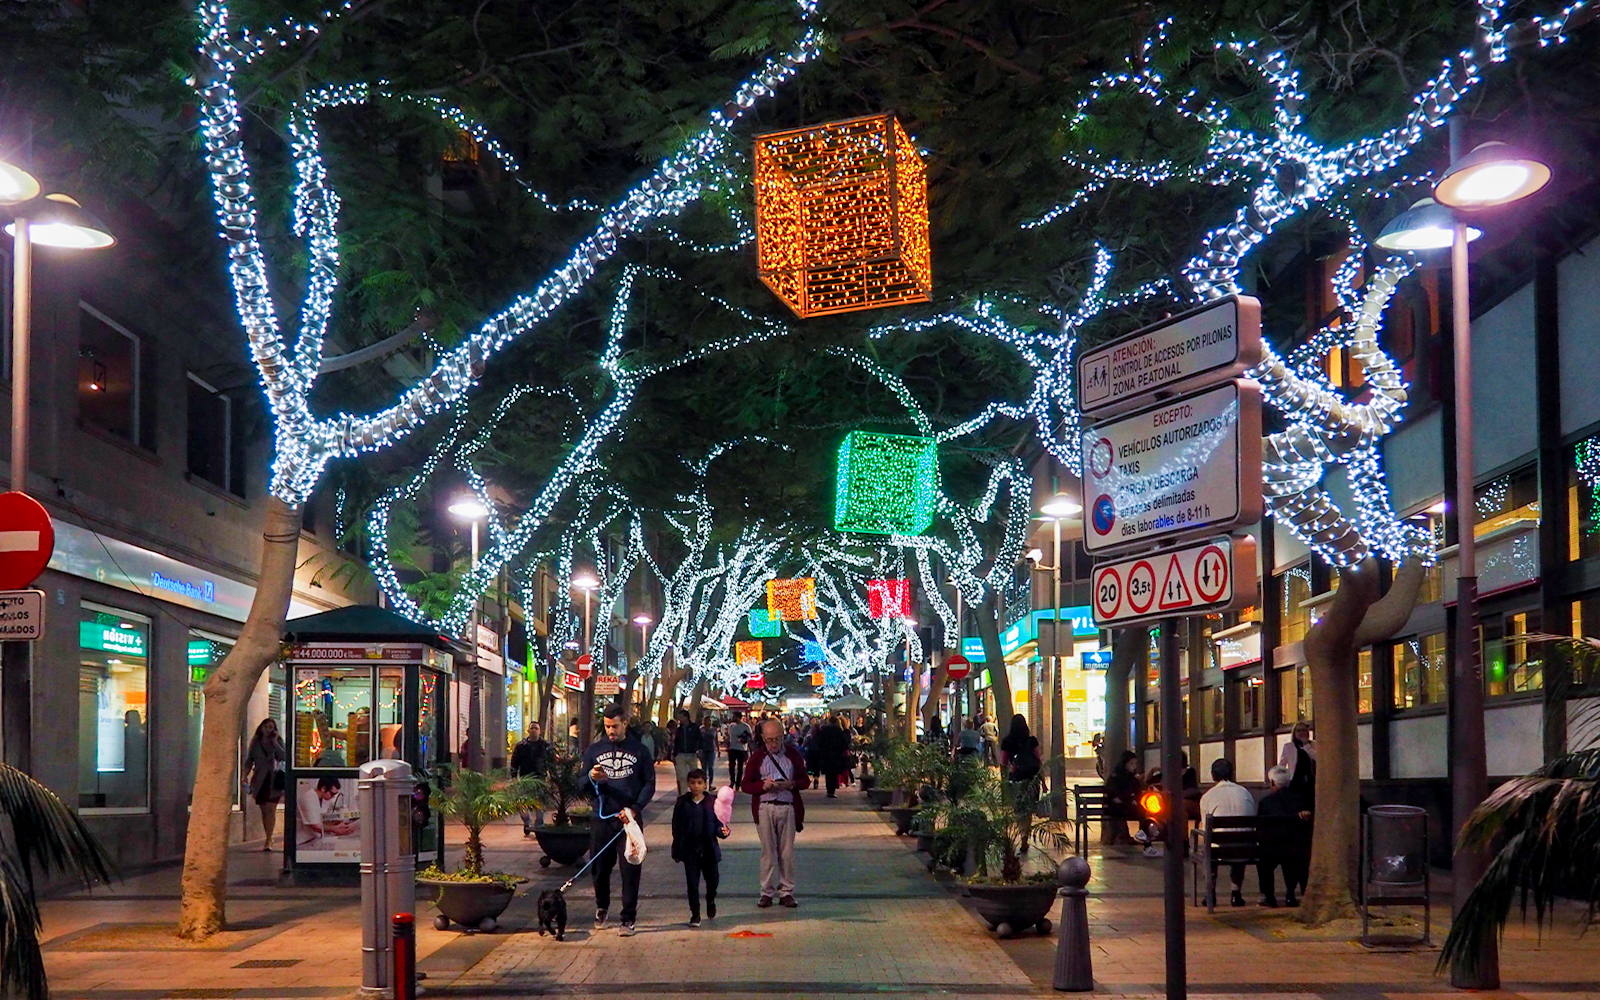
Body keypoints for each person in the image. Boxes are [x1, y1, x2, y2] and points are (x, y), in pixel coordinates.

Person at [584, 703, 656, 936]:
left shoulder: (640, 751)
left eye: (615, 725)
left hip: (629, 820)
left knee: (630, 868)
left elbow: (649, 784)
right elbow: (580, 785)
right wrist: (591, 777)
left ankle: (628, 918)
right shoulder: (594, 750)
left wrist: (634, 809)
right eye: (607, 726)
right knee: (600, 868)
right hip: (602, 818)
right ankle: (602, 907)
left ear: (625, 723)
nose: (611, 730)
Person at [740, 719, 809, 909]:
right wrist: (763, 786)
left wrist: (791, 784)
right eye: (769, 740)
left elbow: (805, 780)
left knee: (786, 853)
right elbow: (745, 785)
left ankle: (786, 892)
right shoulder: (757, 757)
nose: (774, 744)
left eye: (777, 739)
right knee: (768, 853)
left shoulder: (792, 755)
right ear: (763, 738)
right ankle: (766, 892)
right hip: (765, 807)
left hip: (787, 806)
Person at [671, 768, 730, 927]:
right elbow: (676, 827)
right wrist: (676, 849)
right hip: (690, 850)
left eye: (699, 783)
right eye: (692, 783)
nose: (696, 786)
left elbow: (719, 823)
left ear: (705, 784)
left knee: (713, 880)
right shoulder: (682, 803)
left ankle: (710, 900)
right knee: (692, 883)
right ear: (688, 784)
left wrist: (723, 831)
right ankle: (695, 914)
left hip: (709, 848)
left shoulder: (712, 802)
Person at [1198, 758, 1258, 906]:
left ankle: (1210, 893)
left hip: (1219, 848)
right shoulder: (1245, 793)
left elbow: (1206, 827)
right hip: (1245, 848)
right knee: (1238, 839)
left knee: (1209, 846)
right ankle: (1236, 893)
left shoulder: (1208, 796)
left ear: (1213, 775)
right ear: (1232, 773)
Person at [1257, 765, 1312, 907]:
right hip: (1296, 847)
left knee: (1264, 863)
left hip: (1272, 848)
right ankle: (1290, 894)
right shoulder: (1301, 799)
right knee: (1295, 860)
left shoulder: (1266, 802)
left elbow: (1260, 826)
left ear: (1272, 783)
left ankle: (1269, 896)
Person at [243, 718, 286, 851]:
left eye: (271, 727)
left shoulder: (278, 741)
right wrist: (244, 776)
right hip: (260, 780)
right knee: (264, 810)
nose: (269, 729)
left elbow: (284, 756)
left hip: (274, 780)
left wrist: (274, 742)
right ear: (261, 728)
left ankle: (269, 839)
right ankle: (268, 835)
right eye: (266, 726)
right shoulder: (256, 743)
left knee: (271, 809)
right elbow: (249, 760)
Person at [510, 722, 550, 836]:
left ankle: (539, 824)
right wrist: (514, 777)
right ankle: (527, 822)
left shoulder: (545, 746)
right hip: (525, 779)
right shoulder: (521, 746)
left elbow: (550, 762)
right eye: (531, 728)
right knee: (522, 802)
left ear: (540, 730)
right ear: (528, 731)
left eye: (536, 728)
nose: (534, 730)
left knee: (540, 802)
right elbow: (514, 763)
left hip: (540, 778)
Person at [297, 776, 353, 844]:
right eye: (332, 794)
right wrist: (335, 829)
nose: (333, 796)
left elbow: (322, 820)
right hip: (304, 840)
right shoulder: (308, 797)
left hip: (315, 838)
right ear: (323, 788)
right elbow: (316, 826)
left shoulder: (323, 799)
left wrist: (338, 823)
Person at [1104, 750, 1143, 844]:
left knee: (1143, 811)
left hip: (1127, 805)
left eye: (1135, 763)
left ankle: (1143, 835)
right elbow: (1113, 794)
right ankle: (1123, 836)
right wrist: (1129, 799)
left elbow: (1137, 792)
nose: (1134, 766)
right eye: (1131, 763)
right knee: (1119, 812)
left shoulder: (1132, 778)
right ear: (1125, 763)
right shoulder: (1115, 777)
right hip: (1116, 807)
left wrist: (1134, 799)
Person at [1278, 722, 1317, 805]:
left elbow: (1318, 758)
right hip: (1295, 781)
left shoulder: (1313, 745)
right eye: (1298, 731)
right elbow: (1282, 764)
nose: (1301, 733)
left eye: (1303, 730)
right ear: (1294, 733)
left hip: (1311, 781)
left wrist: (1306, 746)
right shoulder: (1289, 747)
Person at [814, 714, 850, 797]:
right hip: (837, 754)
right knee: (834, 772)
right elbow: (845, 743)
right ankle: (832, 789)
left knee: (828, 773)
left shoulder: (823, 730)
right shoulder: (839, 731)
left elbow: (818, 741)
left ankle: (829, 789)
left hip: (825, 754)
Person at [671, 710, 703, 795]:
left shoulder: (694, 728)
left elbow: (699, 738)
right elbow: (676, 742)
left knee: (694, 775)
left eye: (681, 717)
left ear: (686, 717)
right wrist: (674, 754)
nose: (679, 719)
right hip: (681, 754)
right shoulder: (679, 730)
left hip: (691, 754)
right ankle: (683, 794)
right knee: (682, 776)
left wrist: (699, 749)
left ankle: (696, 792)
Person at [725, 712, 752, 787]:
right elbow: (729, 736)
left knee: (740, 767)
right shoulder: (731, 726)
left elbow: (750, 737)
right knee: (731, 766)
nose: (732, 718)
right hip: (732, 748)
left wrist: (744, 740)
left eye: (734, 716)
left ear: (737, 717)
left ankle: (738, 782)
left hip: (741, 749)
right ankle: (732, 781)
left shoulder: (746, 726)